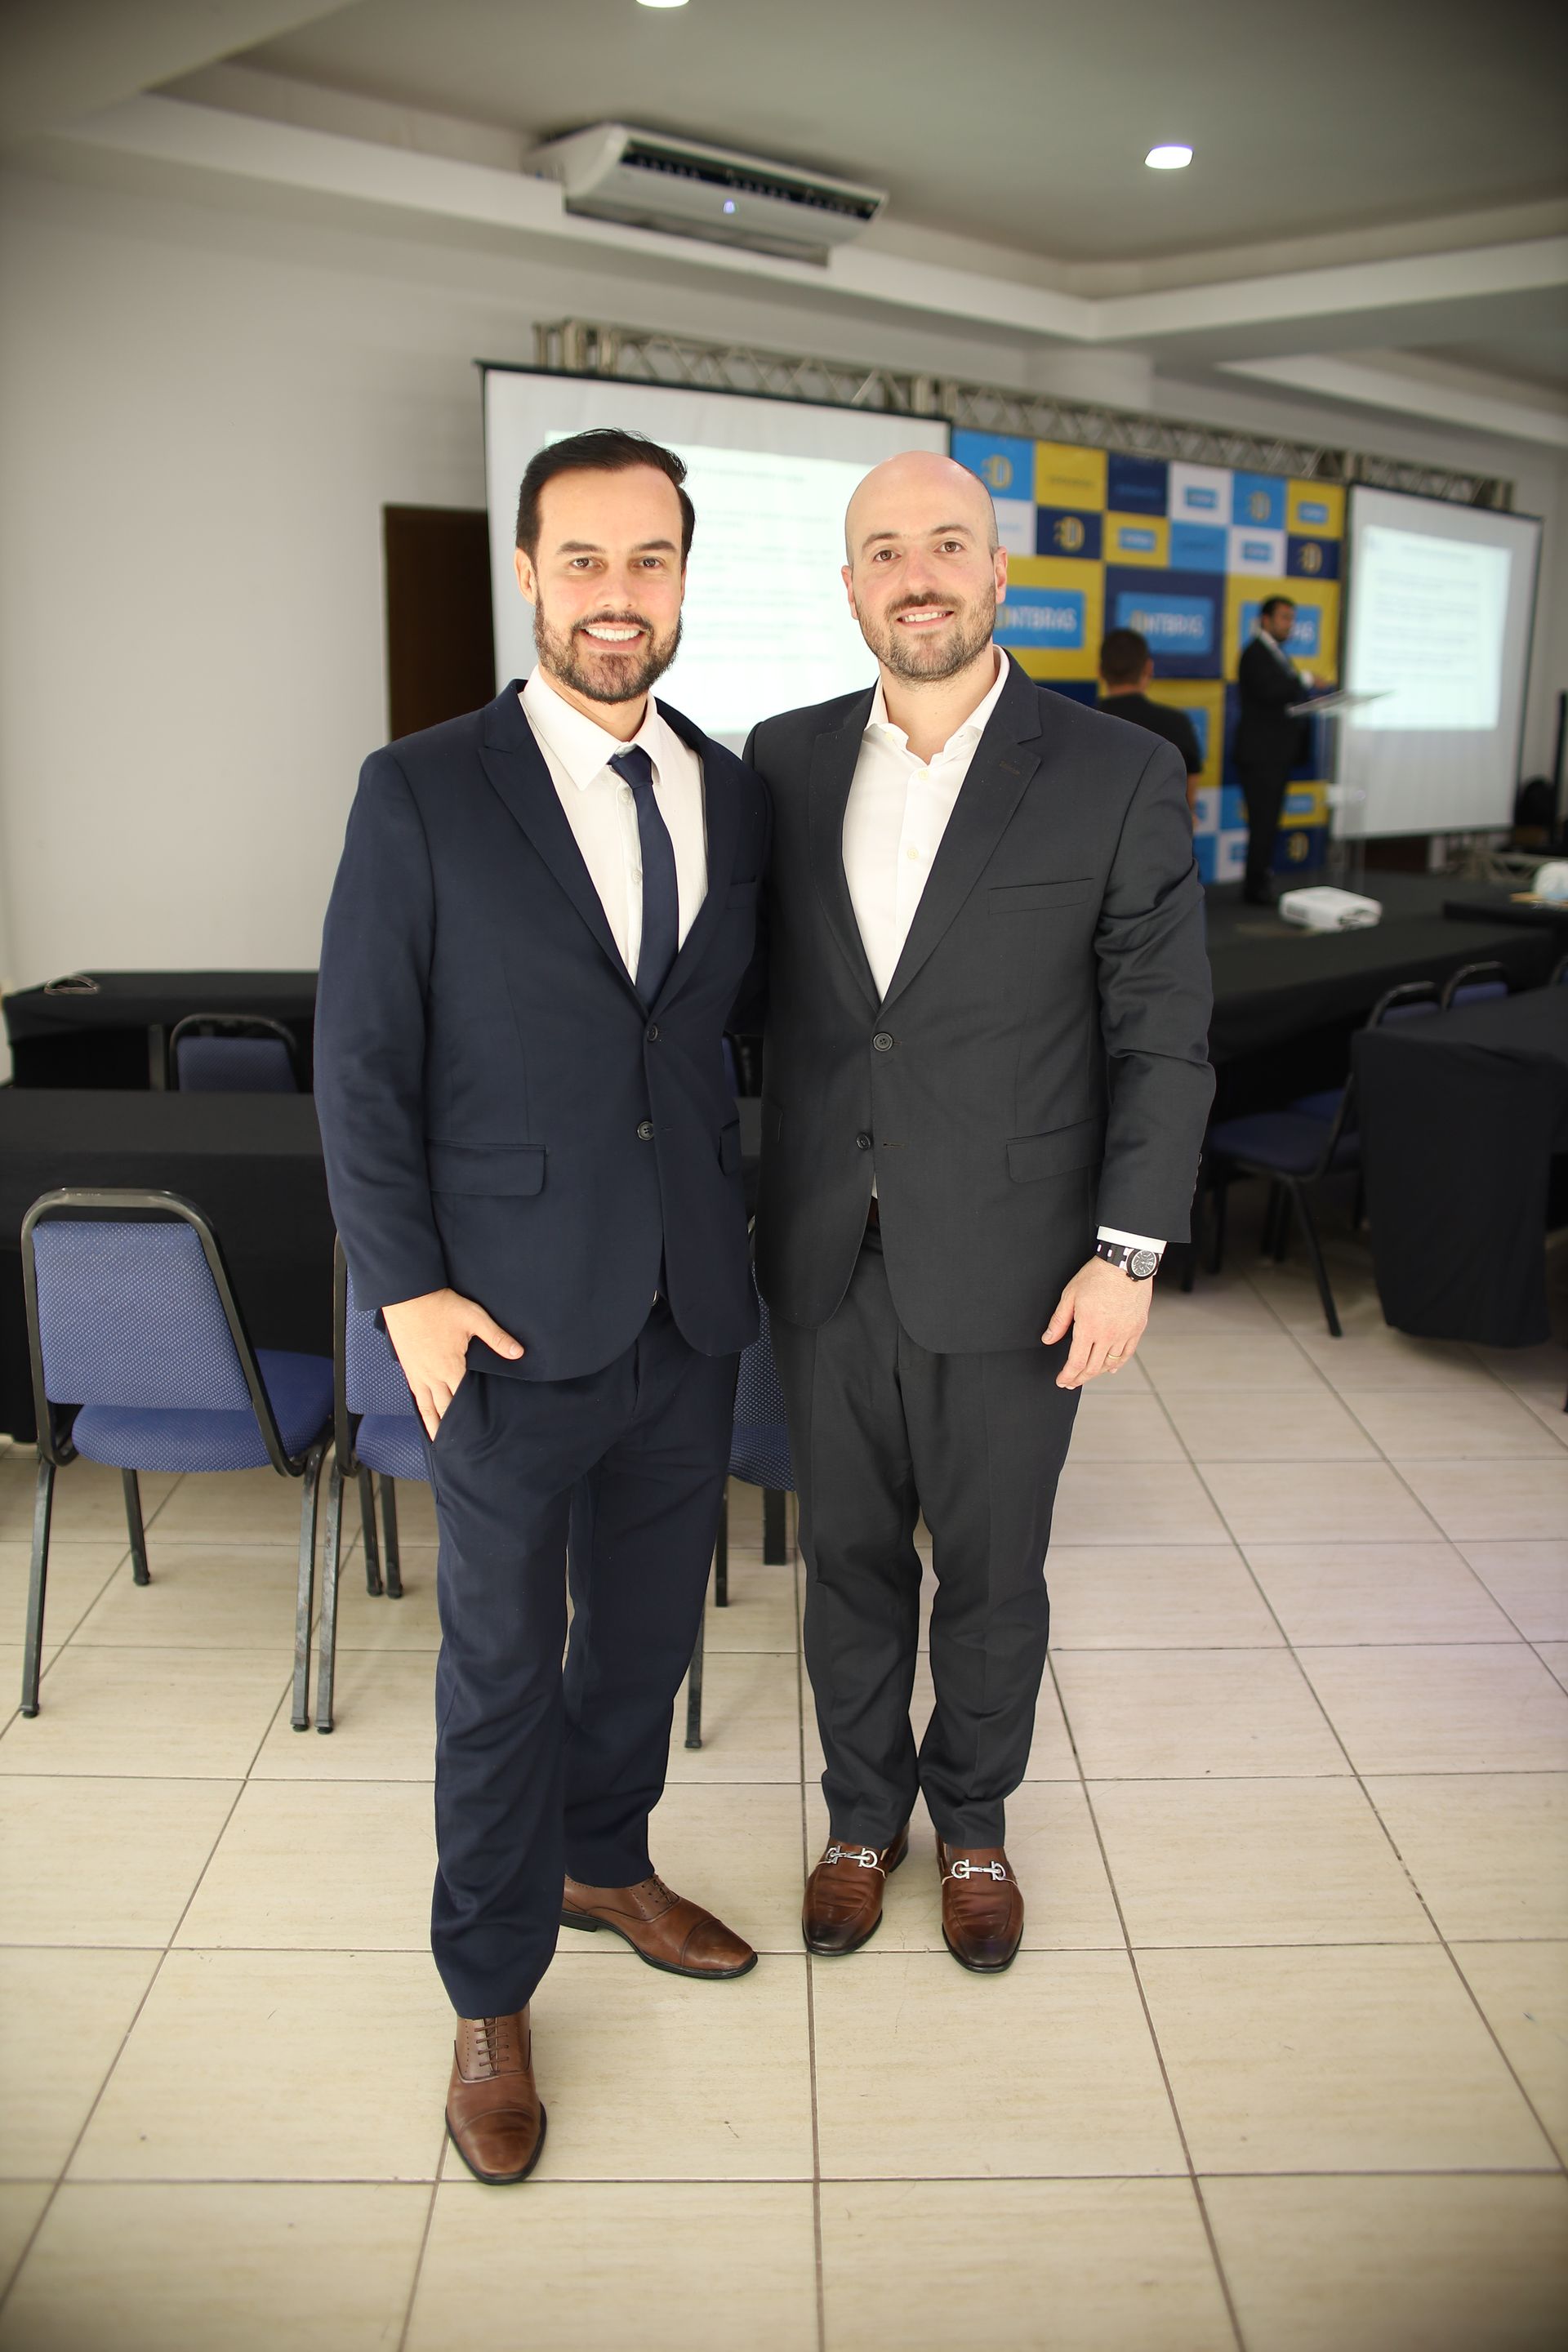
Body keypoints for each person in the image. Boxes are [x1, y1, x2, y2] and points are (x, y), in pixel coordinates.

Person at [315, 428, 769, 2187]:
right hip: (495, 1327)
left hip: (683, 1315)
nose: (615, 597)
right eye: (582, 561)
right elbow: (362, 1066)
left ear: (679, 577)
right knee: (501, 1673)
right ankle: (489, 1992)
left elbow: (712, 1044)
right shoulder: (420, 788)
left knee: (647, 1646)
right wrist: (406, 1293)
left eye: (647, 561)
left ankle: (607, 1858)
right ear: (527, 571)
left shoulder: (730, 790)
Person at [747, 452, 1212, 1973]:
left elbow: (1161, 1032)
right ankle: (862, 1817)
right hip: (827, 1251)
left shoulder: (1114, 770)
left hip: (1021, 1264)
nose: (919, 573)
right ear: (851, 587)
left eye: (948, 543)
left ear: (999, 573)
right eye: (886, 550)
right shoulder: (784, 762)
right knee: (853, 1561)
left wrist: (1128, 1251)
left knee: (996, 1572)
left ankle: (980, 1822)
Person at [1233, 593, 1319, 906]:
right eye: (1284, 617)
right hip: (1260, 755)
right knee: (1263, 822)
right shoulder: (1255, 653)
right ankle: (1255, 887)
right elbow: (1272, 691)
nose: (1289, 625)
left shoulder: (1278, 654)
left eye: (1292, 618)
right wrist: (1305, 679)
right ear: (1265, 620)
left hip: (1276, 755)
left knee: (1269, 823)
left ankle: (1260, 881)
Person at [1097, 626, 1203, 808]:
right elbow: (1187, 801)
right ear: (1149, 668)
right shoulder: (1177, 723)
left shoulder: (1078, 726)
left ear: (1099, 671)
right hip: (1161, 833)